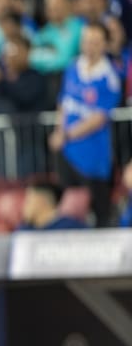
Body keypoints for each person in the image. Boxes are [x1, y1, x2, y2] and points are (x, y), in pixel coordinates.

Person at [49, 23, 120, 227]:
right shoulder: (72, 68)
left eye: (95, 42)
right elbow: (64, 102)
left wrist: (68, 135)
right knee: (68, 207)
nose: (90, 46)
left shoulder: (110, 77)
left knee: (100, 211)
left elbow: (98, 118)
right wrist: (58, 131)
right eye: (87, 41)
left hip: (94, 156)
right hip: (67, 153)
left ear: (104, 45)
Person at [18, 181, 88, 230]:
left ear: (41, 201)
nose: (24, 206)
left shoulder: (72, 228)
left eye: (28, 201)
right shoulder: (25, 230)